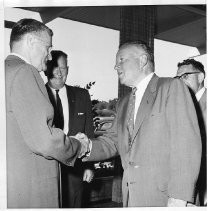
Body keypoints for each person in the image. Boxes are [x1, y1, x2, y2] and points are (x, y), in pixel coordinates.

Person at [75, 41, 202, 207]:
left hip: (167, 198)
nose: (115, 67)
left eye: (121, 60)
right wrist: (85, 146)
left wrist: (179, 197)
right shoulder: (124, 102)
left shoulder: (172, 87)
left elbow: (186, 145)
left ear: (142, 60)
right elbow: (112, 142)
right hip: (133, 198)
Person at [5, 18, 88, 208]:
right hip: (31, 190)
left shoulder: (6, 71)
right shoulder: (25, 72)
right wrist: (77, 145)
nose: (50, 57)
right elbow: (45, 141)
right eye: (47, 48)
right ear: (30, 42)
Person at [45, 50, 95, 208]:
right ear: (46, 68)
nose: (59, 72)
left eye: (64, 68)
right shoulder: (39, 94)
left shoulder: (82, 95)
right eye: (55, 67)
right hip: (47, 167)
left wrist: (89, 165)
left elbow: (89, 132)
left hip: (75, 167)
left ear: (68, 69)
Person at [176, 59, 207, 206]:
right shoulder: (180, 107)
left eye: (185, 76)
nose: (180, 81)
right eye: (177, 78)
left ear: (200, 77)